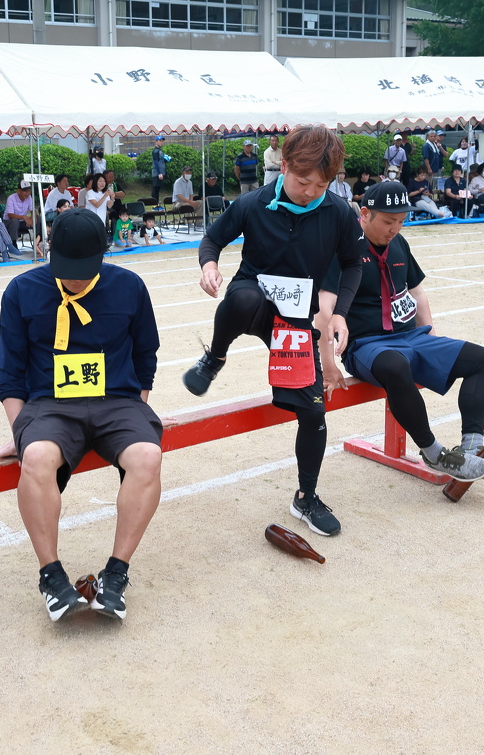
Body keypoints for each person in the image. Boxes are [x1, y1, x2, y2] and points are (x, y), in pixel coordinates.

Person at [180, 124, 364, 537]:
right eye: (302, 182)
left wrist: (340, 313)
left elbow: (354, 263)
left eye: (321, 185)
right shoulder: (253, 203)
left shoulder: (337, 212)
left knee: (313, 412)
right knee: (242, 298)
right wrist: (209, 266)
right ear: (284, 167)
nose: (310, 192)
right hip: (255, 299)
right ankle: (215, 357)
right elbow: (212, 239)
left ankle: (306, 497)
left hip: (297, 319)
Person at [0, 208, 162, 622]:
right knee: (36, 456)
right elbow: (10, 375)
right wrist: (22, 431)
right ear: (48, 250)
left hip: (117, 401)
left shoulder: (129, 287)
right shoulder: (22, 291)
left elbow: (145, 355)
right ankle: (51, 576)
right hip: (50, 405)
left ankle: (116, 573)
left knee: (147, 455)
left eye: (84, 270)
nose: (75, 279)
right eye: (66, 269)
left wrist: (139, 411)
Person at [317, 181, 484, 485]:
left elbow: (417, 293)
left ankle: (472, 446)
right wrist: (328, 365)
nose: (395, 228)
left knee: (483, 360)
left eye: (401, 220)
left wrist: (429, 336)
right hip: (366, 345)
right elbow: (324, 310)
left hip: (411, 337)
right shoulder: (341, 248)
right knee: (396, 366)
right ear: (365, 214)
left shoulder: (399, 243)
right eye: (388, 221)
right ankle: (434, 453)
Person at [3, 180, 34, 245]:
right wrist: (24, 217)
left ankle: (39, 242)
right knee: (15, 221)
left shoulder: (29, 197)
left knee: (38, 219)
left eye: (29, 191)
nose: (27, 193)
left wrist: (32, 219)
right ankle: (13, 243)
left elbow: (32, 211)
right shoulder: (11, 198)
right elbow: (10, 215)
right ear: (18, 191)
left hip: (23, 222)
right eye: (25, 191)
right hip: (9, 222)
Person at [151, 134, 167, 208]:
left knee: (158, 188)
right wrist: (159, 173)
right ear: (156, 141)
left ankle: (156, 204)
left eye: (162, 141)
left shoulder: (160, 150)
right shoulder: (155, 151)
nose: (161, 142)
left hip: (161, 171)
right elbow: (156, 162)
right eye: (160, 141)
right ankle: (155, 204)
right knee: (155, 188)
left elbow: (160, 161)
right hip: (157, 173)